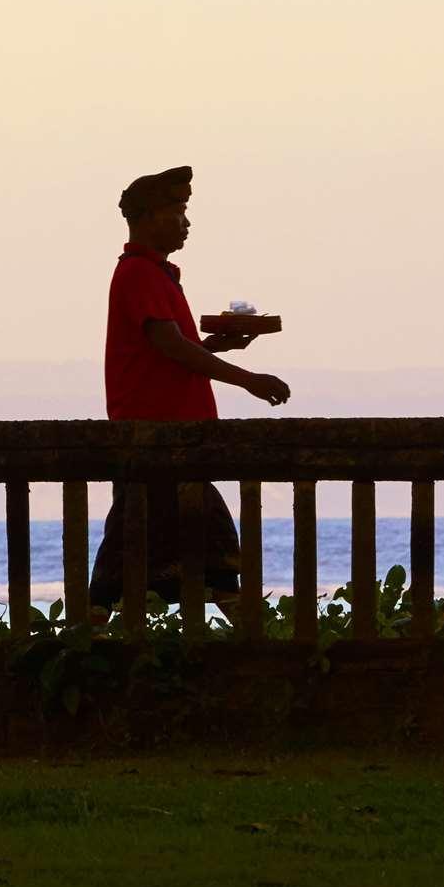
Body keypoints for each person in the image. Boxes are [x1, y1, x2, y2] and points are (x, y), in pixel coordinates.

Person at [92, 164, 289, 608]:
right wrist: (248, 381)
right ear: (146, 218)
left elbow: (169, 351)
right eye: (177, 212)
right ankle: (260, 649)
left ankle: (83, 645)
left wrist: (216, 346)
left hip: (162, 435)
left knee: (127, 559)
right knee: (210, 558)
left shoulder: (154, 274)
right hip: (162, 436)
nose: (186, 223)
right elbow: (170, 346)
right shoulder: (140, 273)